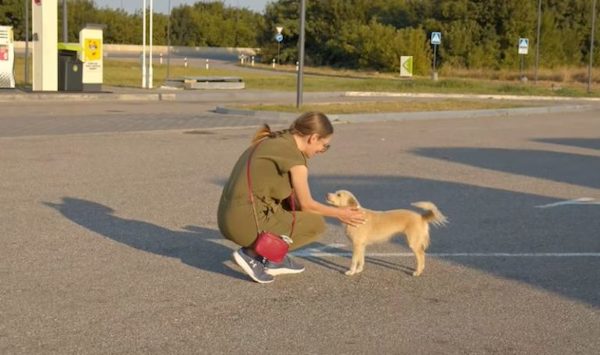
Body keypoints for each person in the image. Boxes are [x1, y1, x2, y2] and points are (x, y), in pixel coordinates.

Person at [217, 111, 365, 283]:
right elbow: (307, 205)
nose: (322, 151)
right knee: (314, 224)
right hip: (242, 223)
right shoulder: (294, 157)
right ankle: (254, 254)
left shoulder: (276, 140)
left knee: (292, 207)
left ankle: (274, 258)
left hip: (228, 216)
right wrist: (341, 213)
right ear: (313, 138)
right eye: (324, 146)